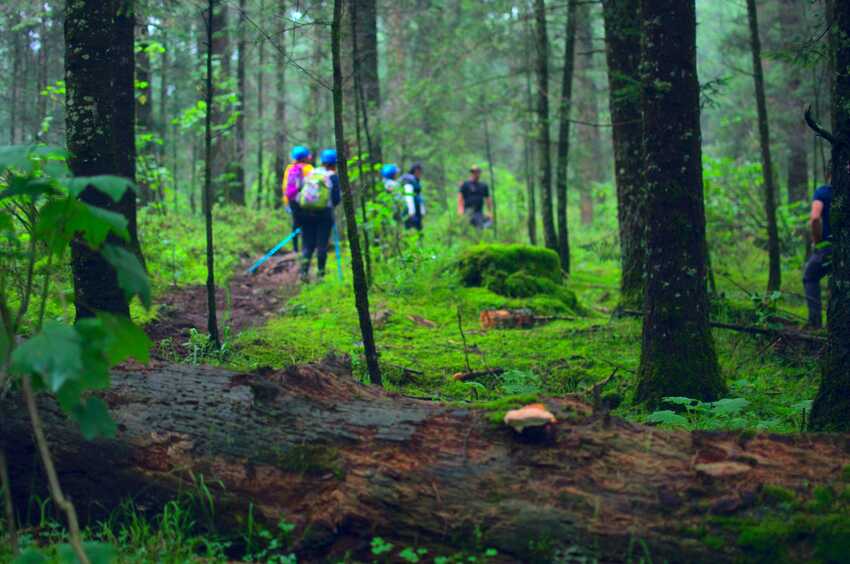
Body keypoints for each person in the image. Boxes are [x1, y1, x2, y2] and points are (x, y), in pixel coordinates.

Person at [297, 149, 342, 281]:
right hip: (324, 215)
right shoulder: (332, 176)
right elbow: (336, 199)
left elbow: (301, 191)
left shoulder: (312, 172)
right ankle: (320, 275)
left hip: (306, 213)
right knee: (322, 245)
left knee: (307, 244)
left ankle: (303, 273)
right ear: (334, 163)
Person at [803, 176, 833, 328]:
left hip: (828, 246)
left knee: (810, 276)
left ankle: (815, 324)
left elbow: (815, 218)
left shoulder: (824, 191)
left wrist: (818, 242)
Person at [282, 146, 313, 252]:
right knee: (306, 223)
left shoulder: (289, 168)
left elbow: (285, 186)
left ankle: (295, 248)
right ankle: (305, 248)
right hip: (305, 200)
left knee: (296, 223)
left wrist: (286, 201)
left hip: (292, 200)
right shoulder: (309, 168)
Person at [458, 165, 493, 229]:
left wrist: (489, 212)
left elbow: (488, 199)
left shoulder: (483, 186)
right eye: (473, 172)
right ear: (471, 173)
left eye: (477, 172)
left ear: (479, 173)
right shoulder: (465, 184)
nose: (475, 174)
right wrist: (460, 210)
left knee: (489, 222)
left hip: (479, 212)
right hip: (467, 211)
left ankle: (482, 229)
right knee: (468, 224)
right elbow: (460, 198)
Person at [400, 163, 425, 231]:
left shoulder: (414, 180)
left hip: (415, 210)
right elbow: (409, 196)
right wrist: (411, 212)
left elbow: (419, 196)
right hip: (411, 211)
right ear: (416, 171)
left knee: (417, 229)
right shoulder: (409, 180)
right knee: (412, 230)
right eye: (419, 172)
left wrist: (422, 210)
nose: (420, 174)